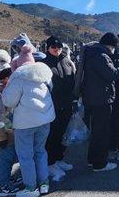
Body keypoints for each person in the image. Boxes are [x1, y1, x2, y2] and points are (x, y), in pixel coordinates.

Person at [2, 48, 55, 197]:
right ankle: (44, 184)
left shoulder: (18, 77)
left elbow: (9, 101)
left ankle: (31, 188)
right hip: (45, 119)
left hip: (25, 123)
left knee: (26, 156)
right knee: (40, 151)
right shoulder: (44, 74)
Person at [77, 33, 119, 172]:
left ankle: (92, 160)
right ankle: (100, 164)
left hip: (92, 98)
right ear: (111, 45)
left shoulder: (92, 53)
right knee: (102, 132)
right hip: (101, 99)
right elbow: (112, 74)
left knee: (96, 131)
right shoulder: (102, 56)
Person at [41, 36, 77, 181]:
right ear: (48, 48)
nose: (57, 49)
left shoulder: (67, 61)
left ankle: (59, 159)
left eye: (59, 47)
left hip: (67, 104)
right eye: (53, 47)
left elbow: (73, 80)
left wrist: (75, 99)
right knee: (52, 135)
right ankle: (50, 163)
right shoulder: (43, 64)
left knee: (63, 134)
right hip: (52, 105)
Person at [0, 67, 22, 196]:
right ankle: (2, 186)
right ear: (4, 79)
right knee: (6, 159)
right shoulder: (2, 94)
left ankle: (6, 180)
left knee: (9, 158)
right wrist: (3, 136)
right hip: (5, 133)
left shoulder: (6, 91)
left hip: (9, 131)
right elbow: (0, 117)